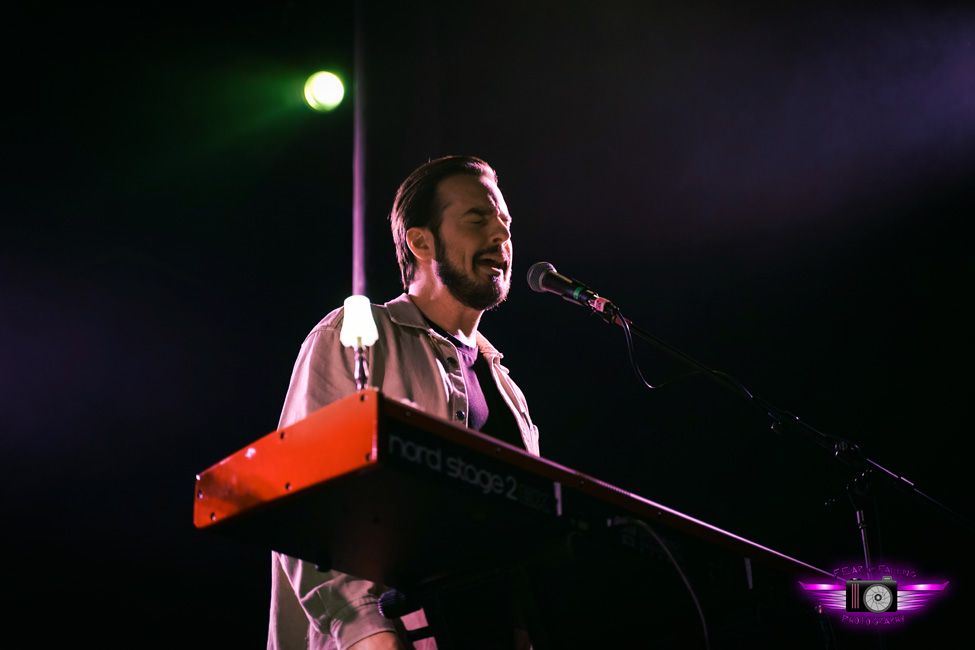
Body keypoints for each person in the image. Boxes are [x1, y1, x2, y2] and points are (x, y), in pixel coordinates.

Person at [267, 155, 541, 650]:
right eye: (477, 219)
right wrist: (368, 632)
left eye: (504, 222)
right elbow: (304, 499)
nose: (501, 235)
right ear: (420, 241)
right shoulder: (357, 338)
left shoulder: (507, 389)